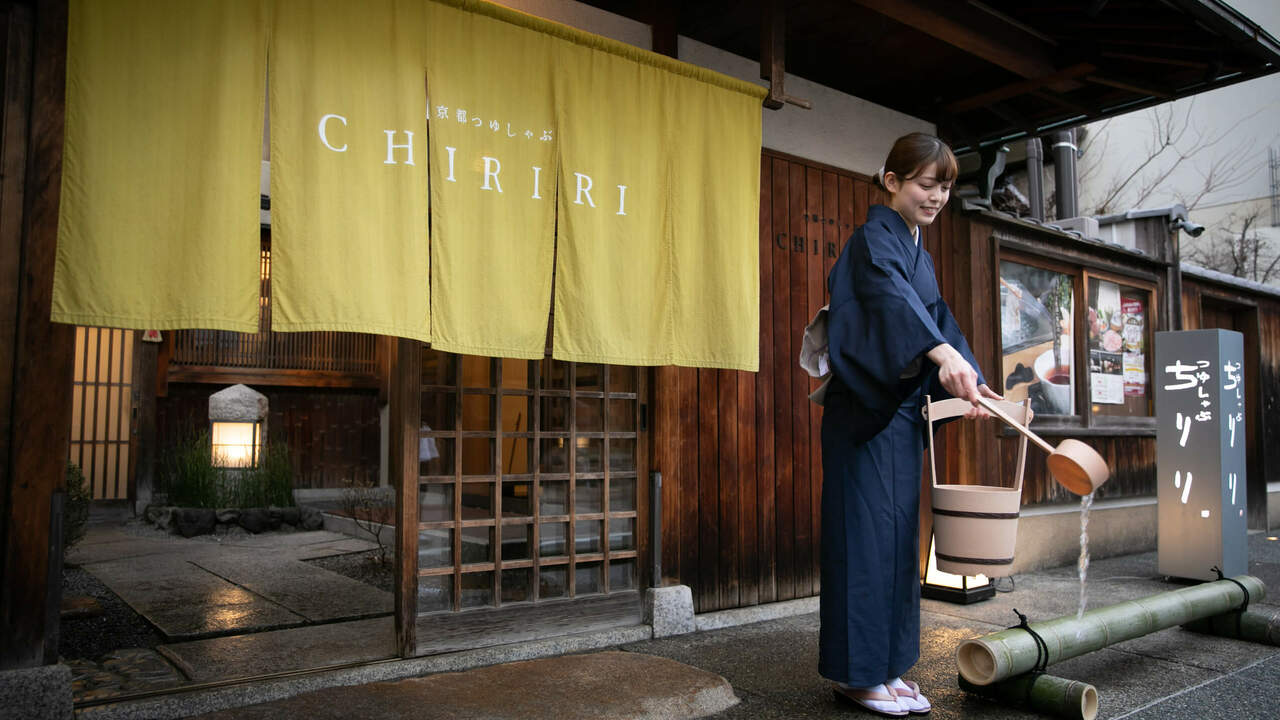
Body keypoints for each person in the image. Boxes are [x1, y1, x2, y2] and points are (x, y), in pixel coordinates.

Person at [819, 132, 999, 717]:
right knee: (862, 541)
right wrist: (941, 355)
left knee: (898, 542)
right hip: (864, 416)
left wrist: (971, 378)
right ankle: (856, 675)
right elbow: (892, 303)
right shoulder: (872, 242)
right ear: (892, 182)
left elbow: (937, 317)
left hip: (898, 416)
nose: (937, 197)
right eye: (926, 184)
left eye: (945, 187)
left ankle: (888, 667)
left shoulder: (918, 251)